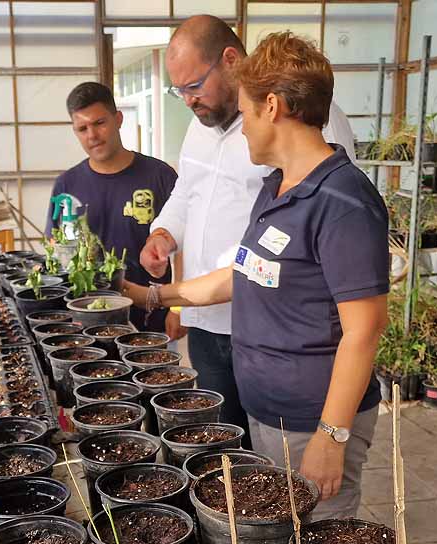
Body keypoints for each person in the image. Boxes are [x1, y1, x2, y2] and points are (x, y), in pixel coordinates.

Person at [124, 30, 389, 520]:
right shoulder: (276, 188)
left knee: (318, 542)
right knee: (279, 535)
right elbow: (243, 273)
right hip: (267, 407)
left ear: (272, 107)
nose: (241, 128)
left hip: (312, 416)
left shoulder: (343, 202)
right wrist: (150, 295)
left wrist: (331, 435)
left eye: (245, 113)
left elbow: (364, 329)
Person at [138, 15, 356, 446]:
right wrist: (163, 234)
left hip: (270, 327)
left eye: (194, 85)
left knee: (282, 456)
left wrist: (332, 434)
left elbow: (330, 212)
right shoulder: (200, 127)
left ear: (230, 60)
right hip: (207, 323)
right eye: (178, 90)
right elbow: (187, 192)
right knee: (222, 448)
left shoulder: (304, 121)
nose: (188, 100)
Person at [46, 81, 182, 336]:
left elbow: (185, 247)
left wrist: (178, 308)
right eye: (82, 128)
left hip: (151, 317)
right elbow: (55, 246)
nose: (92, 135)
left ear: (118, 119)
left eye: (99, 123)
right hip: (86, 320)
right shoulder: (67, 185)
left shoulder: (160, 176)